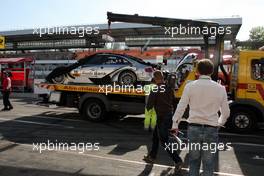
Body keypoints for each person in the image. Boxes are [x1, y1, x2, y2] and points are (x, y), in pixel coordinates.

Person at [171, 59, 230, 176]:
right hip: (211, 128)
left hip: (194, 128)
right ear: (212, 71)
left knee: (193, 161)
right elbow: (226, 112)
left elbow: (181, 107)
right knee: (208, 163)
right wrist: (219, 123)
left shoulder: (190, 86)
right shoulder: (220, 88)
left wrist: (175, 125)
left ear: (197, 71)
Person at [143, 70, 183, 172]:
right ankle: (152, 156)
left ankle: (177, 160)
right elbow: (174, 100)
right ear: (162, 77)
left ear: (155, 78)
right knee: (155, 137)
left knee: (164, 141)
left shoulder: (155, 89)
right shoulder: (169, 88)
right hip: (169, 115)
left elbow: (149, 106)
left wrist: (148, 103)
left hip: (162, 117)